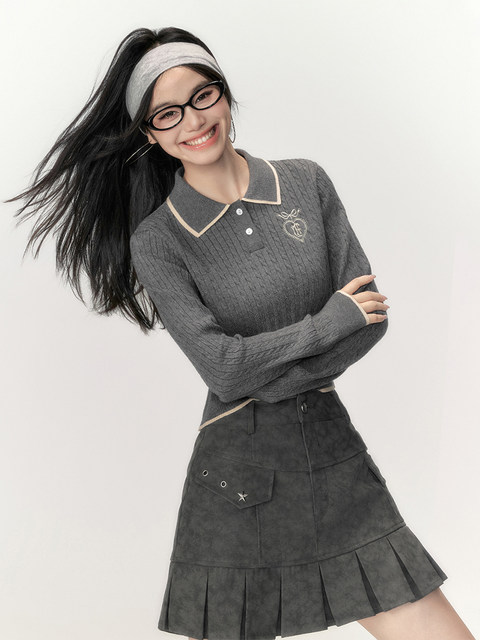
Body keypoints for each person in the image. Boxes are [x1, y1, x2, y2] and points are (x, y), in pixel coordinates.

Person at [8, 25, 475, 640]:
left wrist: (270, 367)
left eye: (202, 96)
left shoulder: (306, 182)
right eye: (167, 114)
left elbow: (368, 320)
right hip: (237, 477)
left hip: (332, 452)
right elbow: (224, 369)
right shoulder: (159, 241)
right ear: (149, 134)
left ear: (224, 94)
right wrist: (325, 323)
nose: (192, 121)